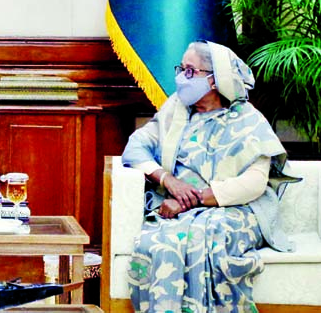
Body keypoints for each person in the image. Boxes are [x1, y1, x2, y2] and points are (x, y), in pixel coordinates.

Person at [121, 40, 299, 313]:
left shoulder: (247, 120)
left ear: (215, 80)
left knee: (208, 237)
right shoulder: (176, 110)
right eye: (181, 68)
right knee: (153, 243)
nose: (182, 77)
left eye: (191, 71)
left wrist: (192, 201)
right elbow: (135, 147)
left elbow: (254, 183)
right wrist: (167, 179)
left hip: (234, 209)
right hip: (174, 205)